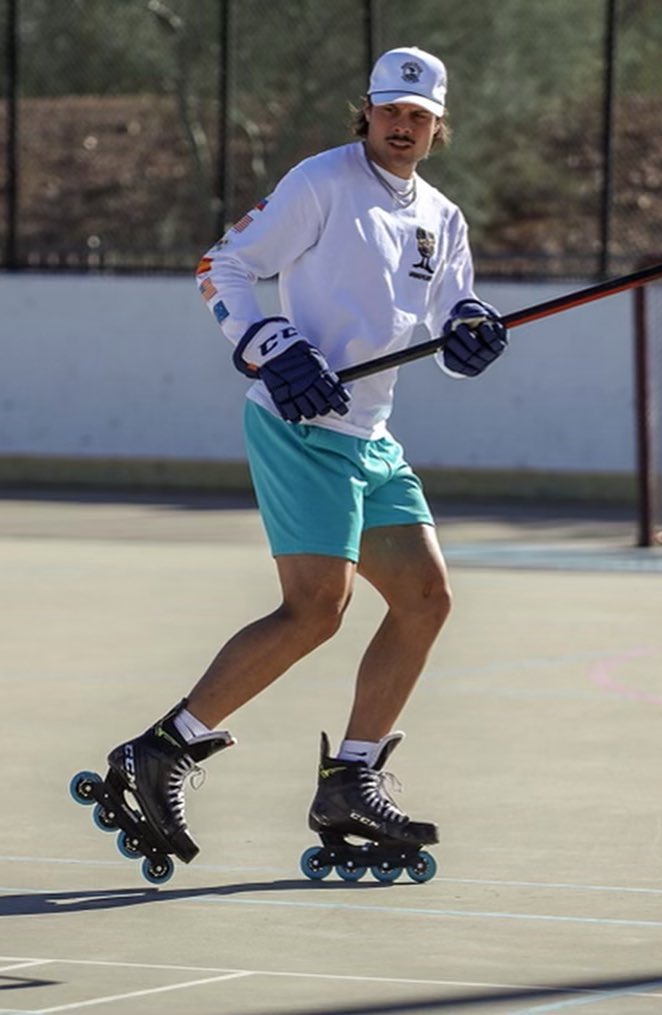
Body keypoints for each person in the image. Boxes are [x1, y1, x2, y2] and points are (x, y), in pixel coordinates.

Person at [101, 46, 508, 870]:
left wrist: (471, 334)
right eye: (391, 110)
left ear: (438, 127)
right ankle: (163, 747)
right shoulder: (321, 182)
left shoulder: (444, 216)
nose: (402, 125)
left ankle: (351, 776)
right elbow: (223, 265)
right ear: (366, 111)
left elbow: (449, 314)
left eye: (418, 116)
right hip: (301, 426)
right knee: (317, 607)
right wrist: (264, 340)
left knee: (425, 598)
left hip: (371, 434)